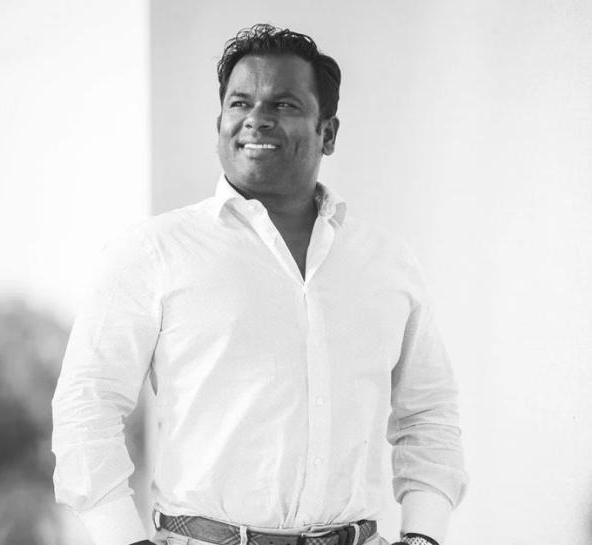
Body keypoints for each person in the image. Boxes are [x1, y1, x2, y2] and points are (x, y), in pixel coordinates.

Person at [52, 23, 467, 545]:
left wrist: (423, 536)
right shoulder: (153, 252)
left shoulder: (386, 264)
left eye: (284, 104)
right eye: (240, 103)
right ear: (220, 123)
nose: (256, 118)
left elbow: (429, 414)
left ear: (328, 133)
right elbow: (86, 405)